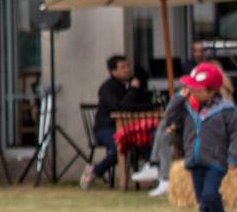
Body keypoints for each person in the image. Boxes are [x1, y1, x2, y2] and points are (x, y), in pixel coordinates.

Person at [178, 62, 237, 212]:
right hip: (195, 160)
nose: (191, 91)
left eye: (196, 88)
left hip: (216, 161)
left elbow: (236, 134)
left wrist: (232, 157)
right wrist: (180, 97)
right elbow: (170, 116)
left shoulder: (226, 109)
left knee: (210, 194)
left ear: (211, 90)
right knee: (201, 199)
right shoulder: (188, 108)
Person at [82, 54, 149, 190]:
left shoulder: (131, 85)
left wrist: (136, 92)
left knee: (147, 138)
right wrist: (133, 91)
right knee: (119, 147)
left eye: (128, 66)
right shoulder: (107, 88)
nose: (127, 70)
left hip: (128, 128)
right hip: (106, 127)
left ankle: (153, 172)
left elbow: (139, 104)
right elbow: (119, 107)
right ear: (113, 71)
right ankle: (95, 171)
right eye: (123, 67)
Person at [133, 86, 191, 197]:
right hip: (184, 132)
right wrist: (178, 97)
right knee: (164, 131)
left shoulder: (208, 101)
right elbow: (169, 116)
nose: (186, 89)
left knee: (164, 127)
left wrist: (176, 125)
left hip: (196, 136)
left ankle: (154, 164)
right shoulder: (188, 100)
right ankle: (161, 174)